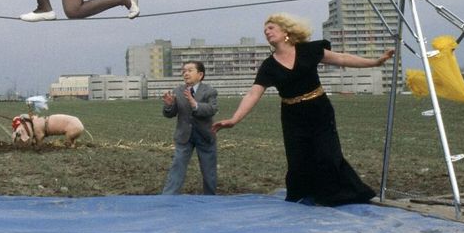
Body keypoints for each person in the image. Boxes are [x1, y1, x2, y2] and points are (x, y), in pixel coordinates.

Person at [212, 13, 394, 206]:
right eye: (265, 30)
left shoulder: (309, 50)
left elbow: (341, 58)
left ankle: (336, 196)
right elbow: (253, 94)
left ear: (286, 32)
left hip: (319, 109)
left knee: (327, 155)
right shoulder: (269, 65)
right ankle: (302, 195)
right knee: (298, 160)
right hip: (292, 115)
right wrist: (234, 119)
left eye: (271, 28)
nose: (267, 32)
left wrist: (375, 62)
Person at [161, 61, 219, 195]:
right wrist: (169, 105)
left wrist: (195, 104)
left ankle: (210, 199)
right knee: (177, 167)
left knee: (208, 170)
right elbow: (170, 114)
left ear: (200, 74)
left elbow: (212, 109)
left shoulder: (210, 91)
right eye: (184, 71)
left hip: (205, 136)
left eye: (190, 70)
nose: (186, 73)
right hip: (184, 136)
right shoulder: (177, 91)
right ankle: (168, 197)